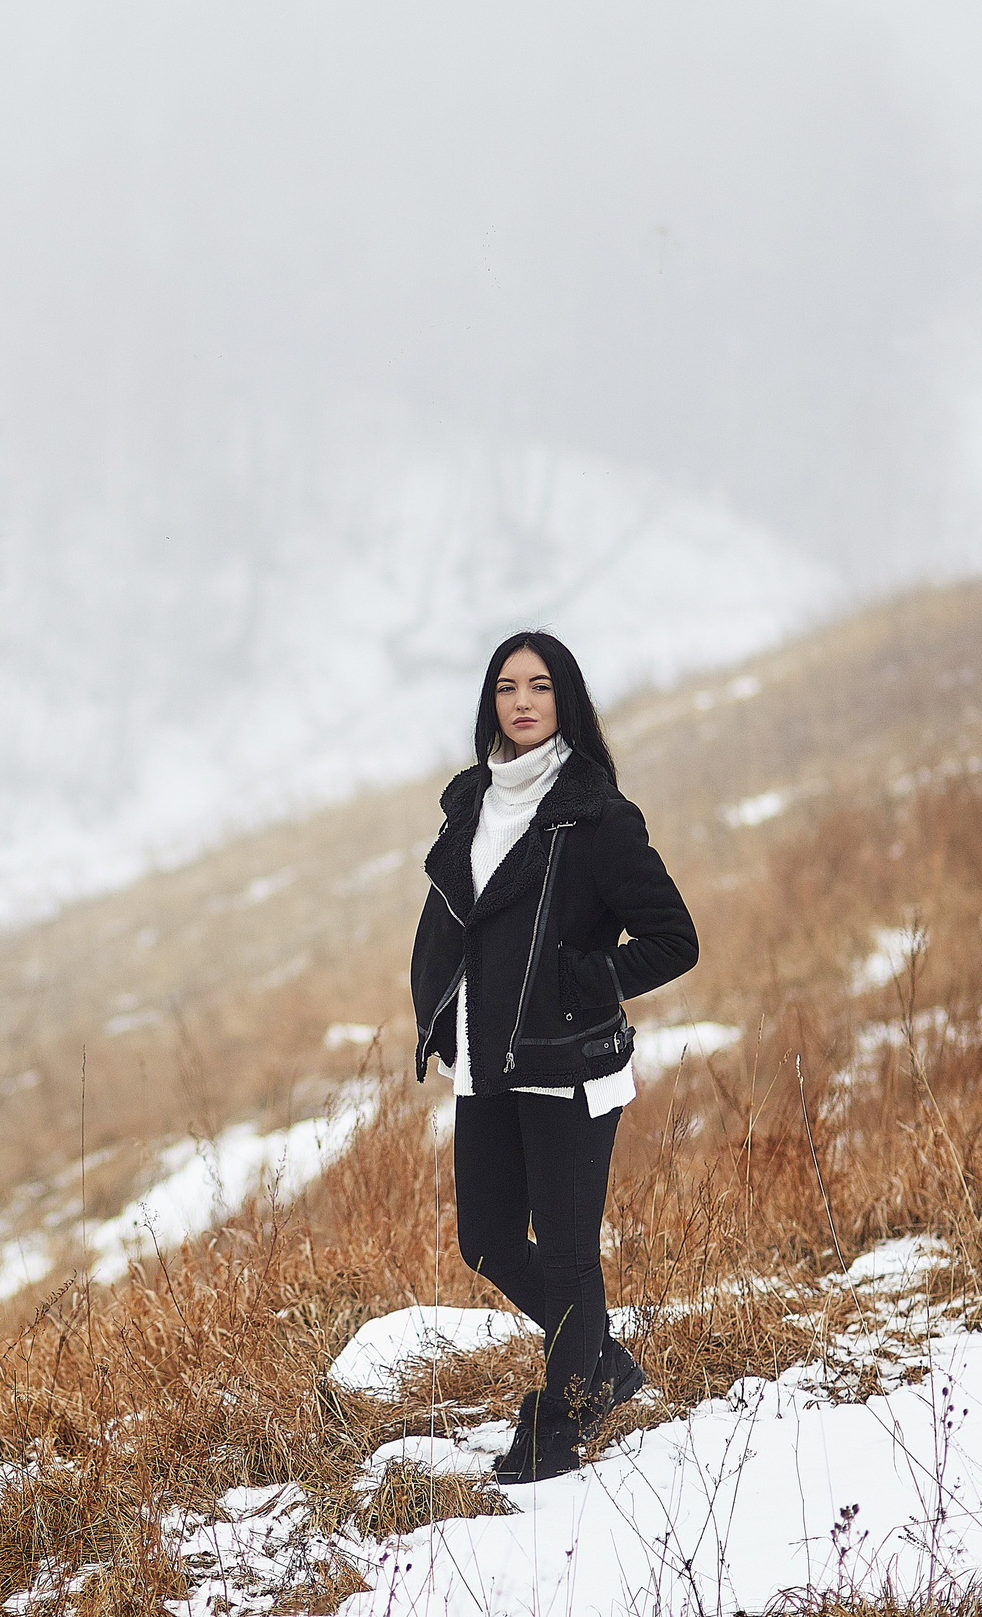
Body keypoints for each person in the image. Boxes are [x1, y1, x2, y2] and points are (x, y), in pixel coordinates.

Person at [409, 631, 698, 1483]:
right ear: (490, 703)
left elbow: (674, 938)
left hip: (570, 1065)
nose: (523, 701)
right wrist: (442, 1015)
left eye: (539, 685)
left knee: (568, 1252)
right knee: (489, 1240)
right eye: (507, 687)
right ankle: (602, 1358)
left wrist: (583, 981)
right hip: (486, 1063)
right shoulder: (470, 804)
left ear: (564, 698)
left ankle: (566, 1416)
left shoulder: (597, 814)